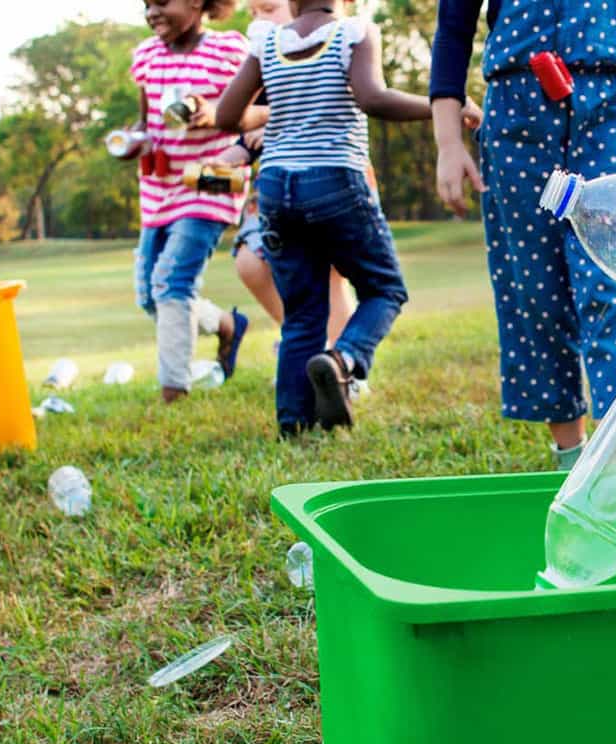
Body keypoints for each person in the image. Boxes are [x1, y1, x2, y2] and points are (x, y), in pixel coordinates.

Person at [431, 0, 616, 470]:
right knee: (535, 290)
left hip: (612, 107)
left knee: (615, 279)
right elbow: (453, 27)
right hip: (517, 113)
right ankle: (570, 455)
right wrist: (447, 142)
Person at [216, 0, 475, 434]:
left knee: (301, 313)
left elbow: (226, 116)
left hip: (277, 187)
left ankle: (294, 425)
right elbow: (373, 98)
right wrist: (442, 105)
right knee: (384, 289)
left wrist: (276, 112)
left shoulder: (267, 43)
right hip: (336, 180)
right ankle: (343, 359)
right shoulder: (353, 32)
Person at [127, 0, 258, 404]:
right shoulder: (146, 55)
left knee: (172, 281)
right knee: (150, 295)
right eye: (145, 5)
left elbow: (263, 111)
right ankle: (225, 325)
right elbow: (145, 121)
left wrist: (216, 113)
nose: (152, 13)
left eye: (161, 2)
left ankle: (174, 390)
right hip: (158, 187)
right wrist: (131, 141)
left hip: (211, 180)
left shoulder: (230, 51)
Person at [212, 0, 354, 362]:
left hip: (332, 182)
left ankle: (342, 365)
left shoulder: (340, 47)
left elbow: (336, 104)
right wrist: (220, 161)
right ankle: (308, 344)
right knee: (250, 261)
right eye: (255, 13)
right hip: (276, 192)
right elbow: (239, 124)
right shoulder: (266, 63)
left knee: (330, 277)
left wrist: (268, 121)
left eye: (269, 9)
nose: (259, 20)